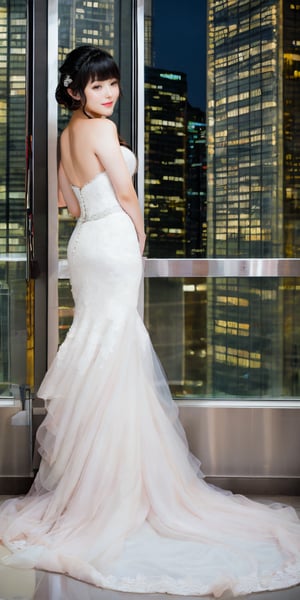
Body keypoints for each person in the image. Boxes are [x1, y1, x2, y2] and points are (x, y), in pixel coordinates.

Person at [0, 44, 300, 598]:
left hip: (85, 243)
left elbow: (69, 207)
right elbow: (125, 191)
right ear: (75, 90)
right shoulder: (101, 134)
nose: (109, 92)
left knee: (101, 345)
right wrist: (139, 232)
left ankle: (92, 484)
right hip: (111, 240)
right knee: (118, 349)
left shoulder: (65, 135)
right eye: (97, 86)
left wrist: (110, 222)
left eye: (112, 83)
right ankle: (119, 489)